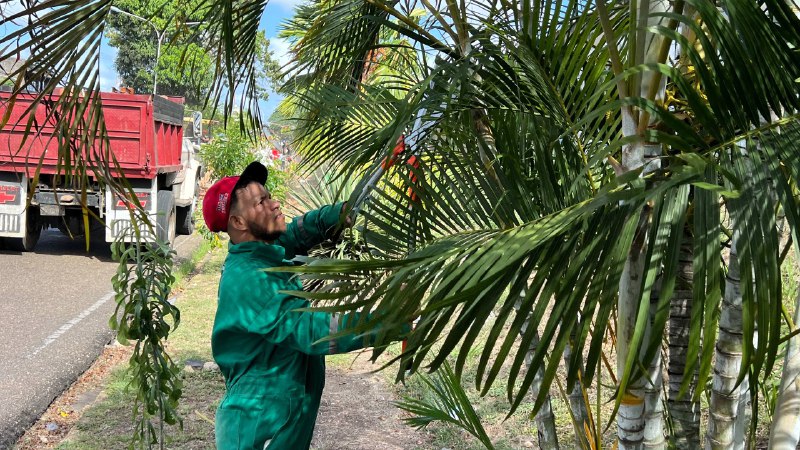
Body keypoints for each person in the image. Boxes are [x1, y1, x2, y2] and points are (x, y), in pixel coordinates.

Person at [202, 161, 401, 450]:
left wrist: (340, 213)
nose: (275, 204)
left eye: (270, 196)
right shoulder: (248, 279)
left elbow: (298, 231)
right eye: (261, 202)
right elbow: (312, 330)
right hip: (259, 424)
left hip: (279, 410)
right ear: (239, 223)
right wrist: (389, 321)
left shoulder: (262, 250)